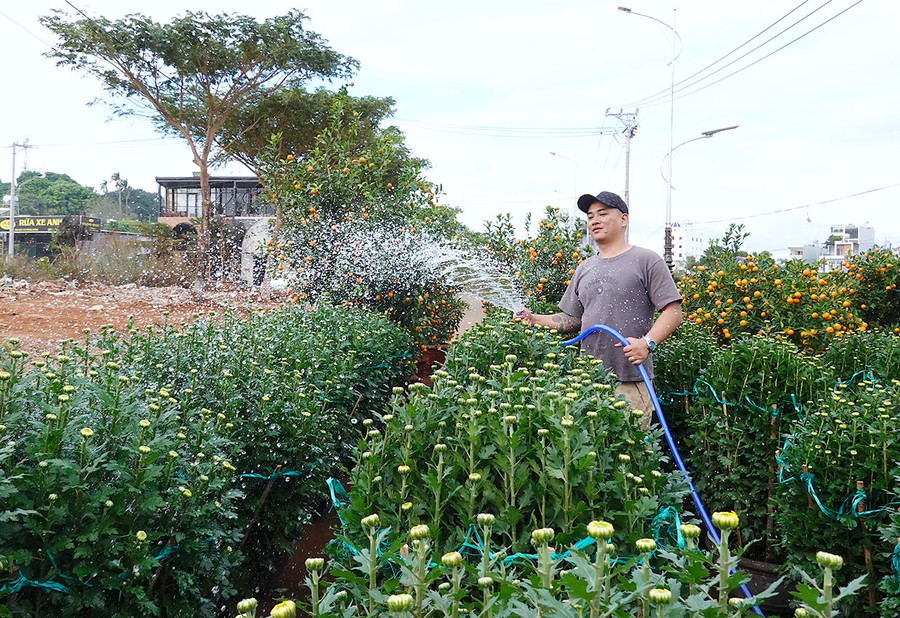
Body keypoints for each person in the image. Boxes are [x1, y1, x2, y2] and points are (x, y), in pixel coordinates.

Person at [518, 191, 682, 425]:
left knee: (630, 453)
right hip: (586, 380)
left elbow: (673, 312)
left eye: (603, 214)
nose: (594, 220)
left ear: (623, 219)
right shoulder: (585, 268)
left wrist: (647, 343)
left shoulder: (646, 260)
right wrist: (534, 319)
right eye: (590, 216)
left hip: (630, 381)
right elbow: (572, 319)